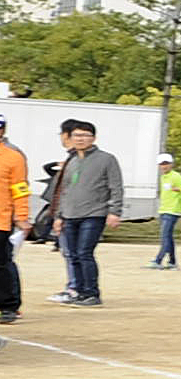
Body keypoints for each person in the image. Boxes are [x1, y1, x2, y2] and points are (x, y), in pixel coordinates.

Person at [47, 121, 124, 304]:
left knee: (84, 253)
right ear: (71, 138)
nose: (80, 139)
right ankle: (77, 291)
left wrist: (114, 211)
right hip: (69, 215)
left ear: (94, 138)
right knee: (72, 254)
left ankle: (91, 293)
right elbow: (63, 190)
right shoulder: (71, 161)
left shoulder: (106, 159)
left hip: (93, 213)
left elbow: (116, 187)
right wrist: (58, 216)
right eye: (77, 136)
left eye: (85, 136)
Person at [0, 116, 25, 319]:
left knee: (2, 263)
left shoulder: (13, 157)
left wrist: (22, 215)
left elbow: (20, 189)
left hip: (1, 219)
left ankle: (8, 305)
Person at [153, 155, 181, 267]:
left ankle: (158, 260)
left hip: (173, 210)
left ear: (171, 164)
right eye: (162, 164)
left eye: (166, 163)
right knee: (168, 236)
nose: (164, 166)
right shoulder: (163, 177)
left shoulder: (176, 177)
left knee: (165, 236)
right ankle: (172, 261)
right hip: (164, 209)